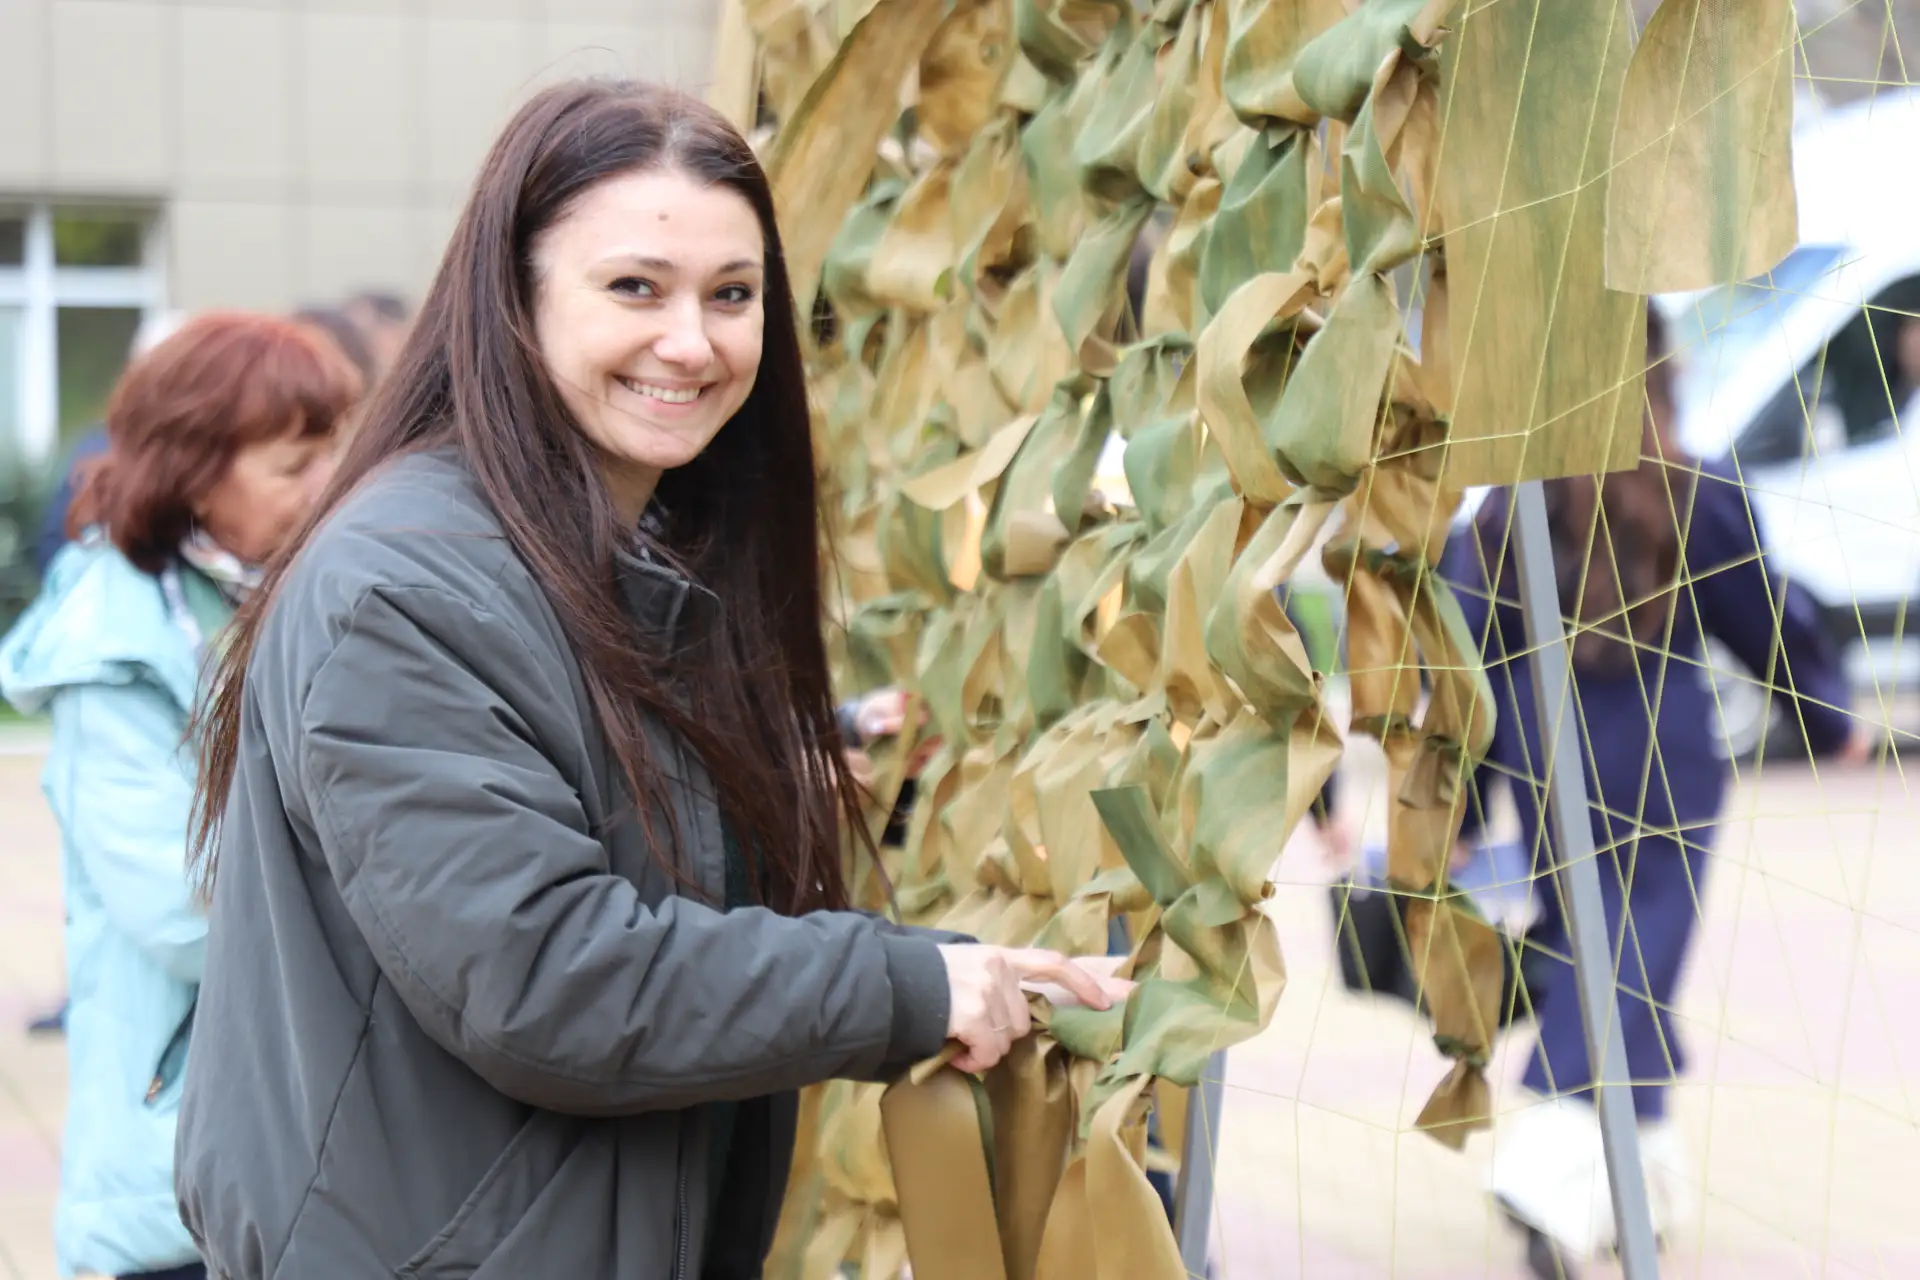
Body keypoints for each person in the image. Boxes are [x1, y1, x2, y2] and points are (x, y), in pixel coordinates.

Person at [176, 79, 1124, 1280]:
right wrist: (906, 985)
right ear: (513, 296)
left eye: (733, 295)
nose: (694, 340)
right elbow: (547, 976)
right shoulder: (408, 587)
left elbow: (676, 931)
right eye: (636, 287)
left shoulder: (642, 567)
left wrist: (963, 973)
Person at [1440, 307, 1866, 1272]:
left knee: (1601, 954)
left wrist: (1462, 812)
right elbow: (1764, 614)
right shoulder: (1692, 486)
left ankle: (1640, 1184)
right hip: (1669, 756)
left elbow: (1464, 661)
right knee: (1635, 963)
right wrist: (1830, 719)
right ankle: (1548, 1173)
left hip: (1546, 757)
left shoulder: (1511, 502)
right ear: (1658, 370)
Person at [0, 312, 358, 1280]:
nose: (331, 484)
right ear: (194, 472)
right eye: (294, 464)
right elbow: (184, 907)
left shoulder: (291, 593)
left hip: (317, 1148)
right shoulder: (116, 649)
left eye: (337, 450)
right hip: (177, 1164)